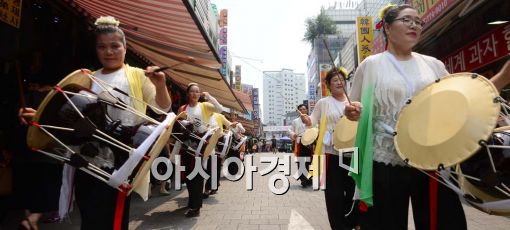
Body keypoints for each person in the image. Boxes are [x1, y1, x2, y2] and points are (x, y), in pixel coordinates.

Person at [344, 4, 510, 229]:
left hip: (432, 157)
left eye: (418, 21)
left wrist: (502, 77)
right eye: (406, 20)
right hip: (386, 159)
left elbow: (462, 100)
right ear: (388, 28)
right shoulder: (371, 65)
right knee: (385, 223)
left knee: (443, 221)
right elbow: (354, 109)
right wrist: (352, 111)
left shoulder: (433, 65)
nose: (414, 25)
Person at [19, 16, 171, 229]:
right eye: (102, 47)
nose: (109, 52)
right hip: (86, 159)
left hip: (121, 161)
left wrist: (161, 85)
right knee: (90, 219)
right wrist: (39, 116)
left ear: (125, 48)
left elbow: (161, 109)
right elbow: (68, 116)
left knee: (114, 221)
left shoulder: (137, 75)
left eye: (115, 46)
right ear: (96, 49)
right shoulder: (86, 78)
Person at [302, 67, 357, 230]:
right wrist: (307, 120)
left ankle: (353, 223)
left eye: (342, 79)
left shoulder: (353, 100)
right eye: (335, 80)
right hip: (331, 155)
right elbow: (313, 119)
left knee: (354, 193)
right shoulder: (323, 103)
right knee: (334, 195)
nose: (339, 82)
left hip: (353, 155)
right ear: (328, 85)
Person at [178, 82, 223, 217]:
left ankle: (195, 207)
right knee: (188, 175)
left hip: (201, 145)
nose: (195, 94)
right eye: (192, 91)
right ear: (187, 94)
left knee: (197, 175)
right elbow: (178, 124)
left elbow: (219, 109)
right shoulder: (182, 108)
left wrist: (209, 97)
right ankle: (192, 201)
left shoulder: (204, 106)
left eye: (197, 92)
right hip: (186, 144)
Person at [203, 112, 231, 197]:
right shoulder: (217, 125)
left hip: (216, 150)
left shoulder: (223, 130)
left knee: (211, 169)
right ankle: (213, 187)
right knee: (214, 169)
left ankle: (209, 188)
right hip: (215, 150)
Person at [289, 104, 313, 187]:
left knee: (310, 162)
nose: (303, 110)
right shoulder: (295, 121)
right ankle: (303, 180)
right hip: (300, 143)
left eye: (304, 109)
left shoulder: (311, 119)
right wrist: (293, 134)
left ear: (306, 110)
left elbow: (316, 128)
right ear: (298, 111)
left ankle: (310, 178)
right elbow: (290, 130)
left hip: (310, 143)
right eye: (301, 109)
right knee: (302, 161)